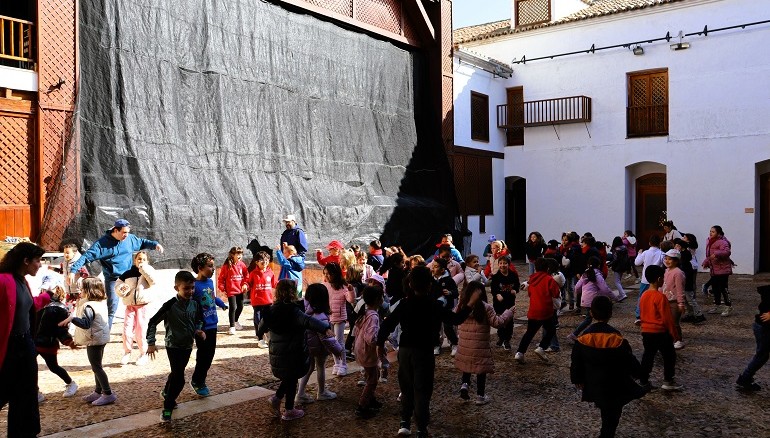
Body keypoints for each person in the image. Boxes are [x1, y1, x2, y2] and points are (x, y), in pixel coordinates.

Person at [377, 266, 473, 438]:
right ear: (429, 285)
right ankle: (421, 429)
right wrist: (470, 303)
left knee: (406, 388)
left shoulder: (405, 303)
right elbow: (456, 319)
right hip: (424, 351)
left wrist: (379, 344)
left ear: (411, 284)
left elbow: (387, 324)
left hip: (405, 350)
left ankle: (404, 423)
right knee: (422, 390)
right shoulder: (433, 305)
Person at [570, 296, 646, 438]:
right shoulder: (617, 338)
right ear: (610, 313)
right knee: (611, 416)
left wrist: (577, 379)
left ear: (591, 313)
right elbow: (628, 358)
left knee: (606, 410)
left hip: (593, 383)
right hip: (614, 384)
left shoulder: (583, 338)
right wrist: (637, 372)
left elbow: (576, 361)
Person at [259, 279, 333, 421]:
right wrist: (325, 328)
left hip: (277, 353)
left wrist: (262, 334)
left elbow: (262, 326)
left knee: (290, 379)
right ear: (292, 293)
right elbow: (308, 321)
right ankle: (287, 408)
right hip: (293, 352)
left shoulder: (271, 310)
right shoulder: (294, 311)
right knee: (291, 378)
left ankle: (279, 400)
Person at [67, 219, 164, 328]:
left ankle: (136, 332)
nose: (126, 235)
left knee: (137, 303)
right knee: (112, 307)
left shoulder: (130, 239)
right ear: (115, 230)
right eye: (124, 232)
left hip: (129, 277)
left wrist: (155, 244)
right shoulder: (102, 245)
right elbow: (86, 256)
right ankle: (106, 333)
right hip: (114, 279)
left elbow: (142, 242)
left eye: (127, 232)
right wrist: (73, 270)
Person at [0, 242, 50, 436]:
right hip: (9, 346)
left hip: (26, 344)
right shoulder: (3, 280)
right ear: (26, 261)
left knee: (26, 394)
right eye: (37, 260)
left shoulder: (24, 281)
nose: (40, 265)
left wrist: (48, 297)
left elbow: (26, 308)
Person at [146, 271, 206, 421]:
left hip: (187, 345)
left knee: (176, 372)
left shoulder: (194, 304)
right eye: (186, 288)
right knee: (180, 378)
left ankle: (167, 391)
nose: (190, 291)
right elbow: (152, 322)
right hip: (173, 345)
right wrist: (151, 343)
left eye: (192, 288)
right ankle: (168, 406)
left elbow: (199, 319)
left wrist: (198, 329)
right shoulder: (169, 305)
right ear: (176, 288)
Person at [455, 281, 514, 405]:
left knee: (467, 363)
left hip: (464, 345)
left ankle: (465, 385)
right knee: (480, 370)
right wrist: (508, 313)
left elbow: (454, 318)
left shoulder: (461, 306)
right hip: (479, 346)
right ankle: (480, 396)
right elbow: (497, 323)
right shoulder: (485, 307)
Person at [60, 277, 116, 405]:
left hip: (94, 339)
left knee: (96, 367)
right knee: (97, 366)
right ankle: (98, 391)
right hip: (100, 338)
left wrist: (72, 319)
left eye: (83, 288)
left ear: (89, 290)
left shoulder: (88, 306)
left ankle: (107, 393)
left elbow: (86, 324)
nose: (80, 290)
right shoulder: (99, 302)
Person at [296, 283, 344, 404]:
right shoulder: (321, 316)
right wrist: (338, 350)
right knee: (320, 366)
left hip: (309, 346)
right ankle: (321, 392)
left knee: (309, 368)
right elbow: (327, 339)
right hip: (318, 348)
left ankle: (300, 393)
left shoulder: (306, 312)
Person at [638, 265, 682, 391]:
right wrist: (674, 333)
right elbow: (667, 318)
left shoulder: (644, 295)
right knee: (669, 356)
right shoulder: (660, 297)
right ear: (659, 279)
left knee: (648, 356)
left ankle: (643, 381)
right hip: (660, 332)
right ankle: (668, 380)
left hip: (646, 331)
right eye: (662, 278)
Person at [190, 253, 228, 397]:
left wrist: (221, 304)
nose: (213, 269)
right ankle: (197, 381)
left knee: (209, 355)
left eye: (213, 265)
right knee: (203, 355)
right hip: (202, 328)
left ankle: (200, 380)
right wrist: (195, 327)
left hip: (213, 324)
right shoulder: (193, 285)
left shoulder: (210, 283)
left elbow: (212, 297)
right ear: (200, 268)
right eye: (210, 266)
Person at [36, 282, 79, 398]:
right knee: (30, 367)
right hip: (35, 342)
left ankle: (71, 383)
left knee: (53, 367)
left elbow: (61, 329)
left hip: (47, 343)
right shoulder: (40, 307)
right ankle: (35, 392)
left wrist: (68, 341)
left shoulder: (58, 309)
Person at [115, 250, 157, 366]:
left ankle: (143, 354)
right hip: (130, 305)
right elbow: (118, 283)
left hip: (142, 306)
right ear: (134, 260)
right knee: (127, 330)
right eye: (139, 259)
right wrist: (121, 289)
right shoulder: (128, 273)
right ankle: (127, 352)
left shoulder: (148, 272)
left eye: (143, 259)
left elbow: (153, 281)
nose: (141, 261)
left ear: (147, 261)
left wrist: (143, 269)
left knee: (141, 330)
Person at [514, 258, 560, 362]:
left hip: (533, 310)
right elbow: (556, 293)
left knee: (529, 333)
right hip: (546, 311)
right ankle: (541, 347)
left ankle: (520, 353)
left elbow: (530, 293)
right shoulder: (549, 279)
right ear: (547, 268)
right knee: (551, 329)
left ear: (535, 268)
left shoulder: (532, 279)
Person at [354, 286, 385, 418]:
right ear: (378, 300)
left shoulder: (365, 313)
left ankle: (370, 399)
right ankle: (362, 406)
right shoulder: (373, 317)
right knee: (372, 380)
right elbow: (371, 338)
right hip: (368, 352)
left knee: (372, 375)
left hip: (360, 350)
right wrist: (380, 342)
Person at [568, 257, 615, 341]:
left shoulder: (585, 274)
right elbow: (604, 289)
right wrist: (614, 297)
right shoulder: (598, 275)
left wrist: (580, 293)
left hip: (585, 299)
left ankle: (580, 334)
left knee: (589, 318)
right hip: (594, 300)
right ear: (599, 265)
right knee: (596, 318)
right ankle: (576, 334)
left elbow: (577, 287)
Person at [736, 285, 770, 391]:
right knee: (762, 356)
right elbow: (765, 310)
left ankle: (746, 377)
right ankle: (745, 378)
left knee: (762, 355)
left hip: (762, 327)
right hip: (764, 328)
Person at [324, 262, 355, 376]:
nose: (326, 276)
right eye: (325, 274)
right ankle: (336, 363)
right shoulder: (326, 285)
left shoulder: (344, 287)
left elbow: (351, 300)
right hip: (329, 317)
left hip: (340, 318)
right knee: (331, 342)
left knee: (339, 342)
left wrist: (351, 290)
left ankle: (343, 364)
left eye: (329, 274)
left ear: (335, 274)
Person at [246, 251, 276, 348]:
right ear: (256, 262)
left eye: (266, 261)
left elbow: (274, 283)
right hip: (257, 302)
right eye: (262, 261)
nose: (265, 263)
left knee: (268, 319)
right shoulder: (253, 273)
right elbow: (248, 283)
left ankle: (267, 335)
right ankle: (260, 338)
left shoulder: (270, 272)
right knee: (258, 320)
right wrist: (245, 286)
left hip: (268, 301)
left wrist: (284, 284)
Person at [430, 258, 459, 356]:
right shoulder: (431, 280)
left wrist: (450, 293)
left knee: (448, 327)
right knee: (435, 328)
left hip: (446, 308)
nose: (433, 268)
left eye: (436, 266)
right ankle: (436, 345)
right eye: (432, 266)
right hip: (434, 308)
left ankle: (454, 344)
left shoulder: (448, 280)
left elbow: (456, 293)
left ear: (442, 270)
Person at [702, 225, 734, 317]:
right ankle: (717, 305)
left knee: (723, 288)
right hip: (714, 269)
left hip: (723, 269)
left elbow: (727, 252)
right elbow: (709, 255)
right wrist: (706, 262)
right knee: (715, 288)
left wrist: (716, 253)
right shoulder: (709, 240)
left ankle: (728, 306)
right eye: (710, 231)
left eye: (713, 231)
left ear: (718, 233)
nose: (711, 233)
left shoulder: (723, 242)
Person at [217, 246, 249, 335]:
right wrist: (222, 288)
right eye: (238, 253)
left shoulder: (242, 265)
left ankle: (235, 321)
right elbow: (221, 278)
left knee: (241, 306)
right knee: (233, 307)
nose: (240, 255)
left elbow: (247, 276)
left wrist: (245, 284)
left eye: (241, 254)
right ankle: (232, 326)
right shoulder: (227, 266)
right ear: (232, 255)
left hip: (240, 290)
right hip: (231, 291)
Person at [489, 256, 519, 350]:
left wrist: (515, 290)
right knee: (500, 321)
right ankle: (501, 337)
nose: (502, 265)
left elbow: (517, 285)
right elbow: (493, 289)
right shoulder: (496, 276)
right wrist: (497, 294)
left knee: (509, 322)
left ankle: (507, 339)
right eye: (501, 263)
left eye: (505, 263)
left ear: (508, 264)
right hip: (499, 303)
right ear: (498, 265)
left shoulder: (513, 275)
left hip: (510, 302)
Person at [634, 234, 664, 324]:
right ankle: (655, 314)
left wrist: (639, 253)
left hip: (645, 279)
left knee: (642, 297)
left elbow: (637, 262)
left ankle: (639, 315)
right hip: (657, 279)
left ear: (649, 243)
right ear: (659, 243)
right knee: (657, 297)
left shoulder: (645, 253)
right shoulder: (661, 253)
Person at [662, 249, 686, 349]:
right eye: (666, 258)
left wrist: (681, 303)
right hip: (666, 300)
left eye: (670, 259)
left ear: (676, 261)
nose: (667, 261)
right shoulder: (666, 271)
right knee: (667, 321)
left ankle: (678, 339)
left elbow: (680, 289)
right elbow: (663, 285)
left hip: (675, 302)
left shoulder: (678, 273)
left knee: (674, 322)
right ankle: (670, 338)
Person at [608, 236, 630, 301]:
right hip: (623, 266)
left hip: (617, 266)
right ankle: (621, 294)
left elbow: (615, 259)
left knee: (616, 281)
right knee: (619, 281)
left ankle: (623, 294)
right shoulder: (624, 248)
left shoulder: (616, 250)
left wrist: (609, 264)